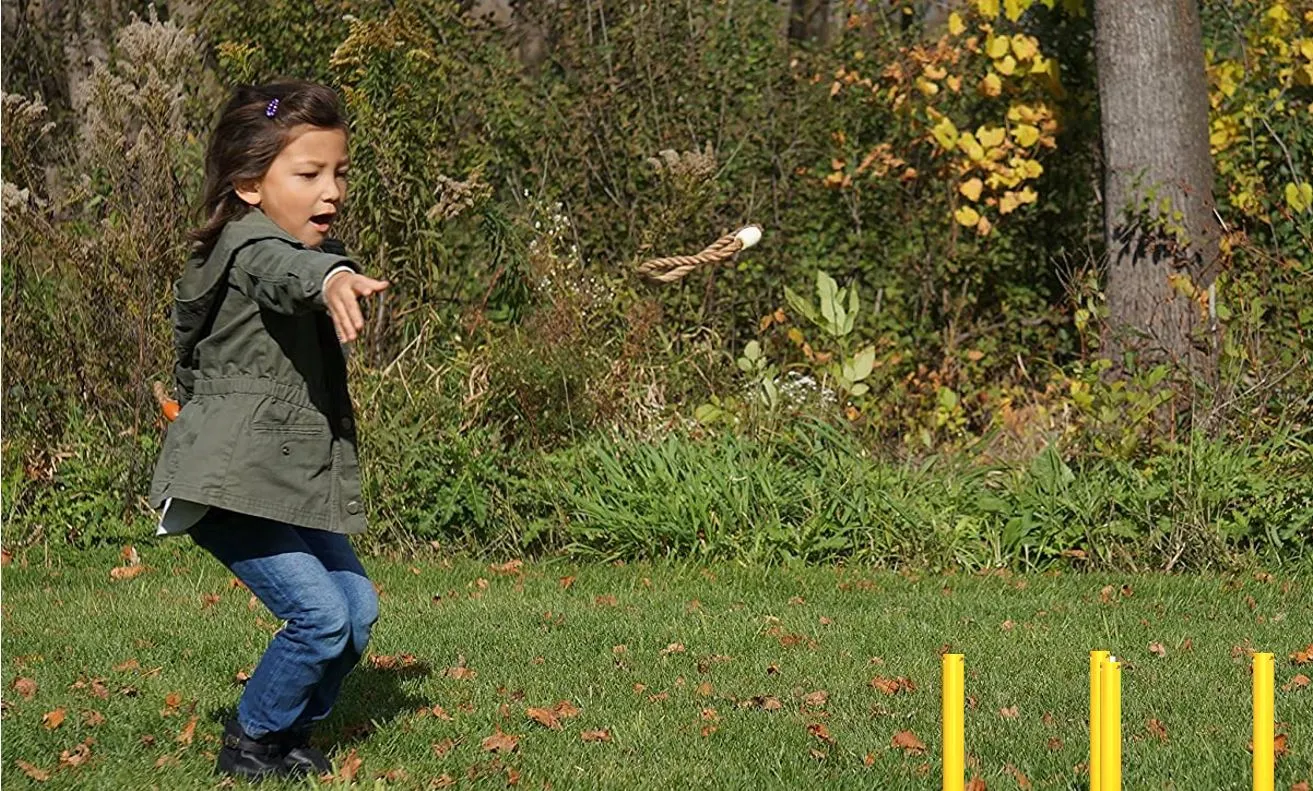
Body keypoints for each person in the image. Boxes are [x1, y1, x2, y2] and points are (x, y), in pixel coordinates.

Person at [148, 80, 390, 780]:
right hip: (225, 484)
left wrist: (332, 268)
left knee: (356, 609)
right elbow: (287, 272)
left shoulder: (300, 247)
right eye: (309, 173)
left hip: (274, 476)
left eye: (339, 171)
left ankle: (287, 730)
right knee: (318, 616)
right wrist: (332, 278)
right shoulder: (248, 246)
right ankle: (250, 740)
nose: (332, 189)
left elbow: (307, 262)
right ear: (250, 184)